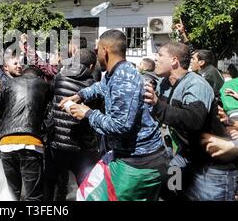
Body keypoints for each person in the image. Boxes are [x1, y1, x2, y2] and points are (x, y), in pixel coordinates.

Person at [60, 30, 166, 201]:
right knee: (85, 193)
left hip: (138, 163)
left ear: (105, 51)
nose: (96, 54)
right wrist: (80, 95)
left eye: (97, 50)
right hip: (126, 156)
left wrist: (87, 113)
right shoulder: (115, 73)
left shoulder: (124, 79)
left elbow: (120, 126)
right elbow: (101, 87)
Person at [144, 42, 238, 201]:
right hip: (183, 158)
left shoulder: (196, 84)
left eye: (160, 55)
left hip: (211, 169)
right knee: (171, 193)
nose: (156, 59)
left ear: (174, 60)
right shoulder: (165, 83)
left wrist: (157, 104)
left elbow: (193, 120)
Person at [0, 66, 51, 201]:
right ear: (39, 77)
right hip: (31, 144)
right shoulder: (45, 86)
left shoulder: (7, 84)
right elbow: (49, 118)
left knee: (12, 192)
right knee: (33, 196)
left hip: (6, 144)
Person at [43, 49, 100, 201]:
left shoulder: (59, 77)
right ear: (92, 66)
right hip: (81, 146)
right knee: (86, 184)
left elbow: (49, 97)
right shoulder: (93, 85)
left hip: (56, 142)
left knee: (51, 181)